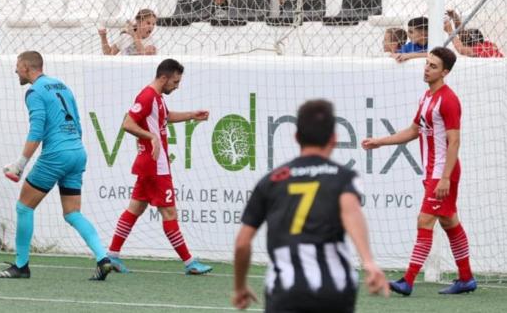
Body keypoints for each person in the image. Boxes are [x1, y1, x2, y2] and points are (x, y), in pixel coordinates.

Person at [232, 99, 389, 311]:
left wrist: (240, 286)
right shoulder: (344, 177)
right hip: (334, 288)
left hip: (285, 290)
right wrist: (368, 261)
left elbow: (242, 243)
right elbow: (350, 212)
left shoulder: (272, 180)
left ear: (296, 137)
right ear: (334, 138)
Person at [362, 47, 477, 296]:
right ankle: (466, 278)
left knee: (424, 221)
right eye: (427, 63)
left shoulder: (448, 100)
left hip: (443, 173)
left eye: (433, 66)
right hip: (432, 172)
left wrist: (445, 178)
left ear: (445, 72)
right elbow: (413, 131)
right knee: (449, 221)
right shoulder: (427, 97)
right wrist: (380, 141)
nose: (427, 69)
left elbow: (454, 141)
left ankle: (408, 280)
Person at [0, 51, 112, 280]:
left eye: (18, 66)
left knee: (24, 207)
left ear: (27, 67)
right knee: (72, 213)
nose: (15, 70)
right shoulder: (62, 86)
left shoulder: (34, 92)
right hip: (77, 152)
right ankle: (103, 258)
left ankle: (21, 266)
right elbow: (77, 123)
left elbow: (36, 130)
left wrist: (20, 164)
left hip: (56, 155)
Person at [106, 59, 213, 275]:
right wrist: (151, 137)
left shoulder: (158, 98)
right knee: (169, 212)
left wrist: (191, 115)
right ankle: (190, 262)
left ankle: (112, 255)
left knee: (135, 208)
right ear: (163, 78)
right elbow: (127, 123)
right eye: (175, 82)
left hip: (151, 165)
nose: (177, 86)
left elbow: (166, 117)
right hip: (156, 166)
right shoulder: (146, 96)